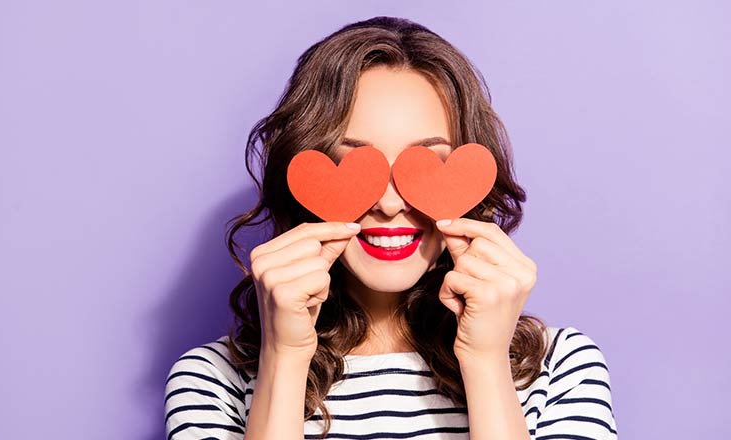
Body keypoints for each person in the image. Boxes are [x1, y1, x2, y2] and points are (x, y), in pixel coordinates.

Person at [164, 16, 617, 440]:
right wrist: (283, 359)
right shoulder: (213, 378)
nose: (389, 203)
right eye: (353, 165)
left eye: (427, 166)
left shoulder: (560, 366)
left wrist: (485, 363)